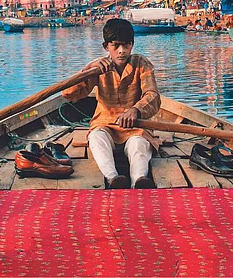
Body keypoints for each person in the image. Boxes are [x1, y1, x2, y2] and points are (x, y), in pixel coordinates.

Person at [62, 18, 160, 189]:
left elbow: (152, 95)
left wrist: (136, 110)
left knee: (138, 145)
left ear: (132, 44)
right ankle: (113, 178)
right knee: (96, 137)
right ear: (106, 46)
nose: (122, 51)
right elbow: (69, 94)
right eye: (116, 46)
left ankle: (139, 180)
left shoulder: (141, 64)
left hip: (135, 127)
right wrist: (88, 69)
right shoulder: (98, 68)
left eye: (126, 45)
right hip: (105, 125)